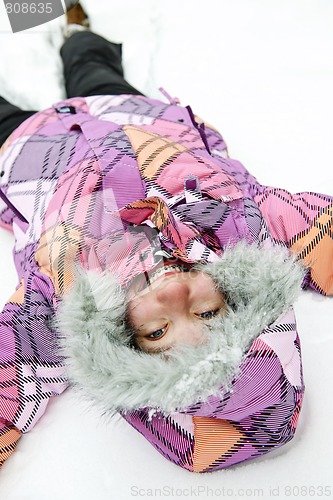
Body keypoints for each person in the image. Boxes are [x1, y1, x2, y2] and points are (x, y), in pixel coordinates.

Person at [0, 3, 332, 473]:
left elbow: (7, 379)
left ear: (123, 345)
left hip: (30, 154)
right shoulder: (244, 227)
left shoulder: (64, 298)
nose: (176, 292)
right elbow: (322, 230)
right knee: (90, 62)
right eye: (208, 312)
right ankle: (74, 27)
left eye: (157, 331)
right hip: (135, 116)